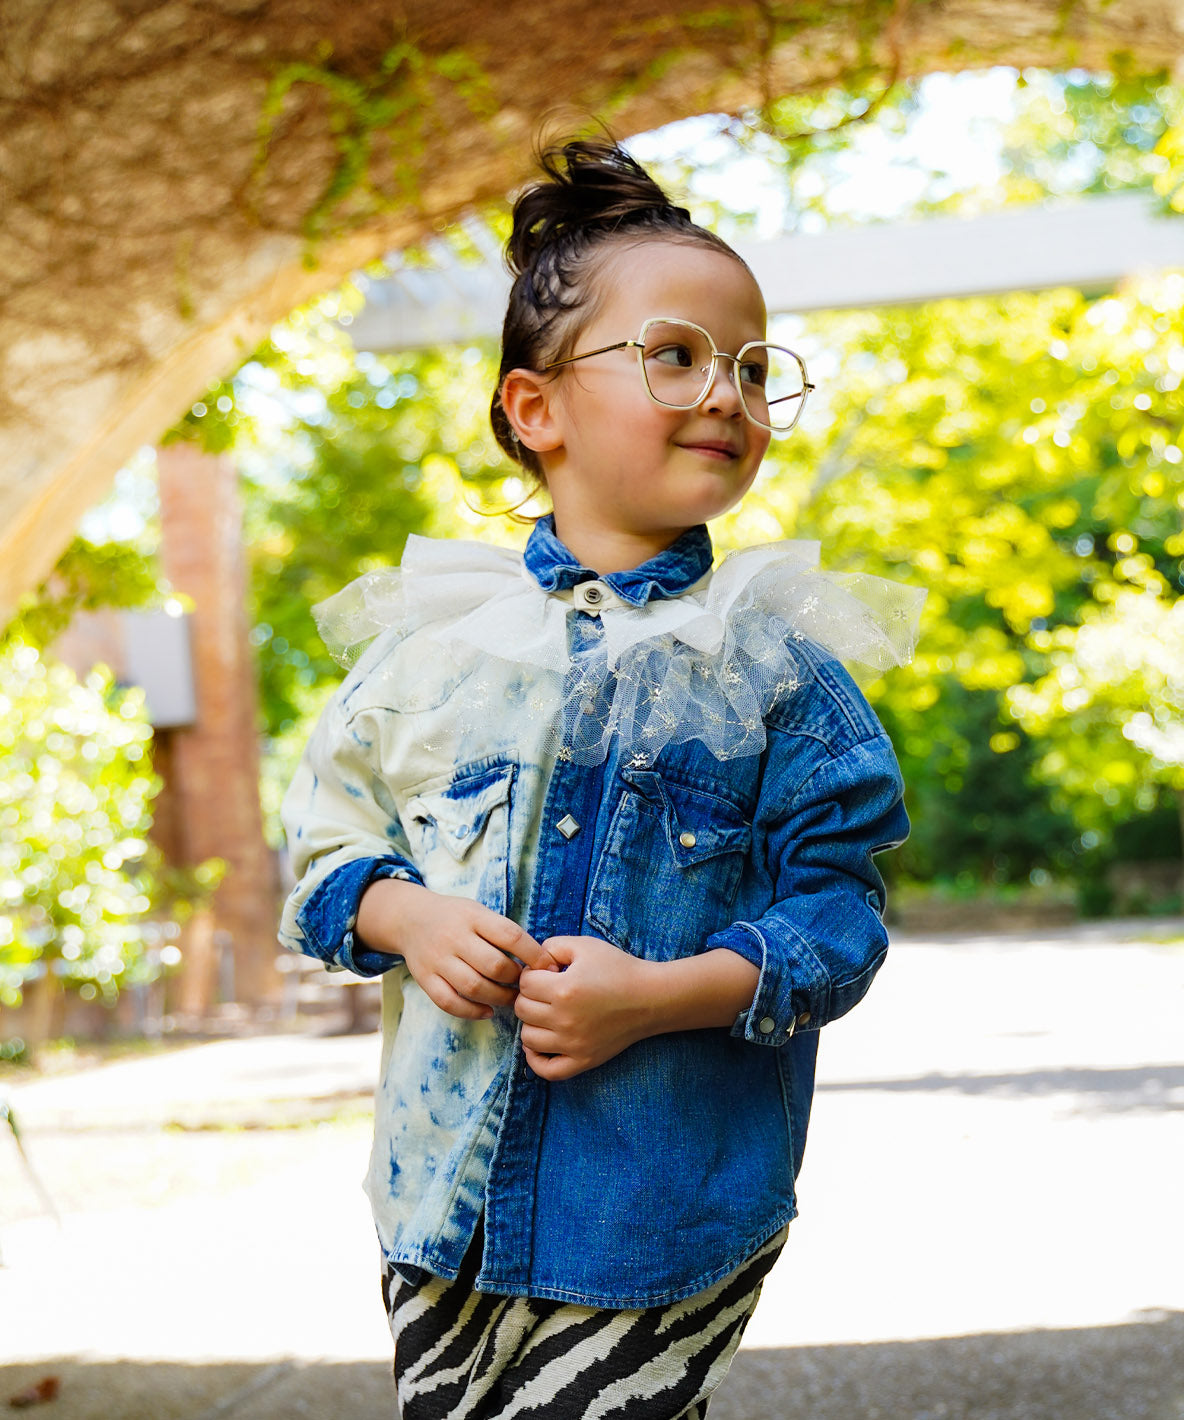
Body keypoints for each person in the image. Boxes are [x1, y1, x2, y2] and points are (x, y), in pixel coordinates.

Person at [278, 135, 926, 1420]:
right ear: (536, 409)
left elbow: (837, 923)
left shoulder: (777, 675)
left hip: (656, 1211)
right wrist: (402, 913)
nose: (726, 393)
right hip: (439, 1201)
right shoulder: (433, 656)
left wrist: (660, 995)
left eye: (750, 366)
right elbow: (320, 845)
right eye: (676, 354)